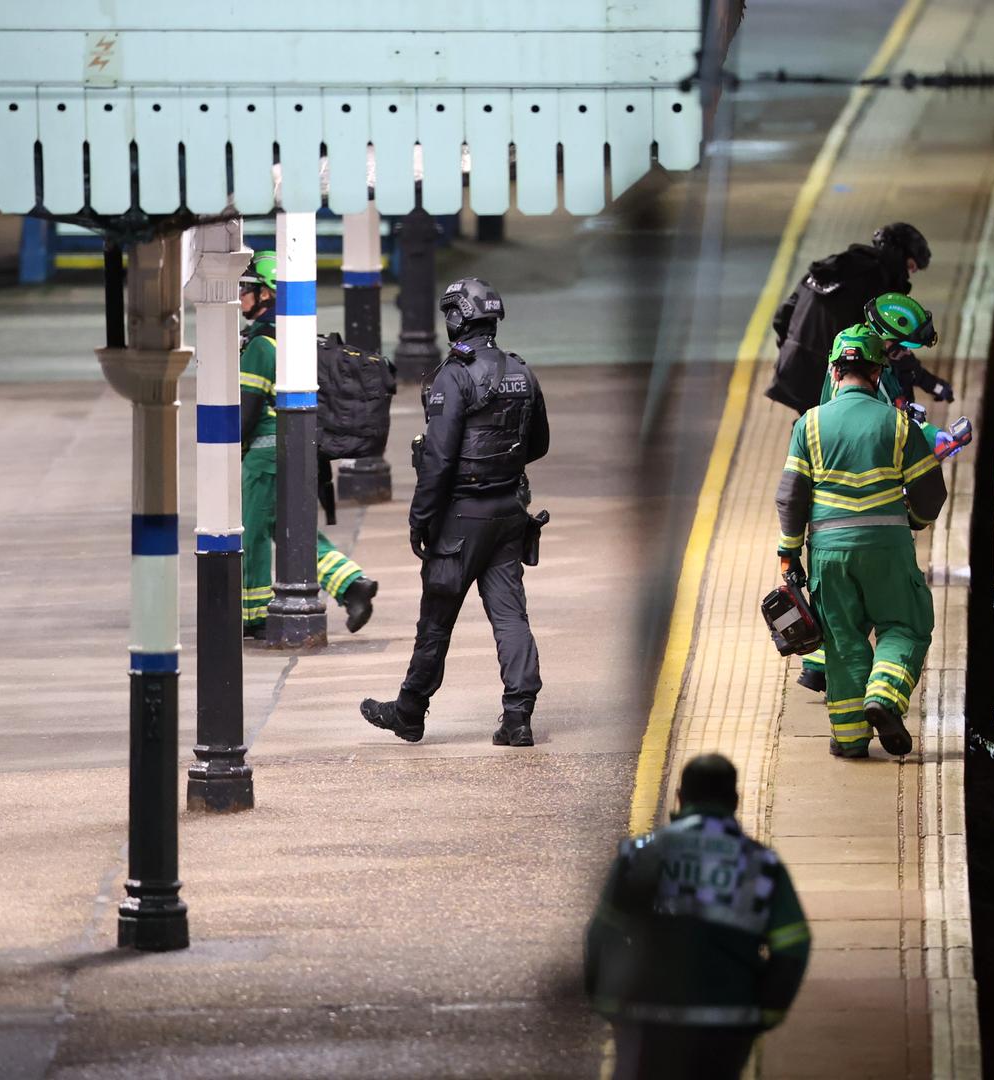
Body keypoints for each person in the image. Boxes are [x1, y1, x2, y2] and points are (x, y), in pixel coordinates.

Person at [359, 277, 549, 746]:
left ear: (456, 319)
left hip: (461, 521)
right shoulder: (521, 372)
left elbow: (440, 460)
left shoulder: (453, 376)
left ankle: (409, 711)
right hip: (509, 513)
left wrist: (421, 519)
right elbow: (539, 443)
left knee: (436, 621)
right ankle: (518, 716)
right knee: (510, 617)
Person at [584, 754, 811, 1080]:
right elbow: (793, 946)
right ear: (734, 801)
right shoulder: (761, 865)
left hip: (648, 1017)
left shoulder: (640, 854)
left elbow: (603, 935)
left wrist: (607, 1002)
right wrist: (766, 1011)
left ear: (680, 797)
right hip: (727, 1022)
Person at [776, 326, 947, 758]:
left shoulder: (810, 424)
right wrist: (916, 520)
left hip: (828, 554)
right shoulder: (898, 423)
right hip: (887, 548)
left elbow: (792, 496)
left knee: (843, 639)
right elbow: (931, 492)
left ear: (834, 371)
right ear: (877, 374)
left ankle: (851, 740)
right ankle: (885, 696)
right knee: (906, 624)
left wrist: (788, 552)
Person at [236, 250, 379, 636]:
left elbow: (246, 415)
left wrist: (225, 447)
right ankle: (352, 584)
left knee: (252, 533)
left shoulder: (260, 347)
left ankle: (254, 615)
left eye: (247, 287)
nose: (241, 295)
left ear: (268, 293)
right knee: (295, 528)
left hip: (263, 460)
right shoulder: (293, 339)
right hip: (295, 454)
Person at [767, 222, 951, 414]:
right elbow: (891, 346)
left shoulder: (829, 266)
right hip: (831, 376)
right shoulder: (879, 286)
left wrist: (790, 353)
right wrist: (925, 380)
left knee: (812, 429)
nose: (909, 276)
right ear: (898, 255)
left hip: (792, 368)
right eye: (911, 267)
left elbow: (782, 317)